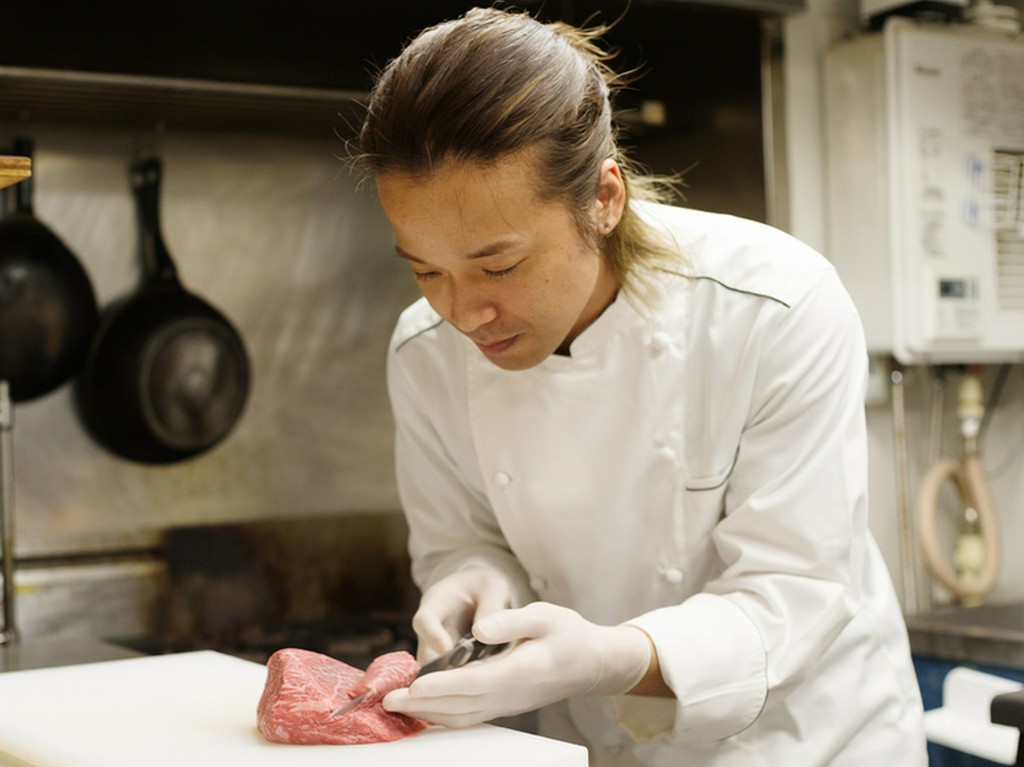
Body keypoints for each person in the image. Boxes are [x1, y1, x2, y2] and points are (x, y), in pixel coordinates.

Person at [356, 7, 928, 765]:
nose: (462, 312)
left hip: (805, 743)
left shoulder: (775, 307)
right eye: (427, 270)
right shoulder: (423, 350)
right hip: (598, 749)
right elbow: (464, 537)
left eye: (499, 265)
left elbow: (793, 590)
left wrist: (606, 658)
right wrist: (472, 579)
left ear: (604, 199)